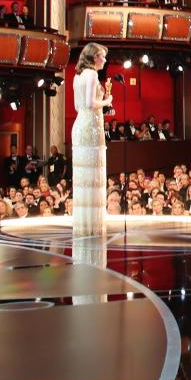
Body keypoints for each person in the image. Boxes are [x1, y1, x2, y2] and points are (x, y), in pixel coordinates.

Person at [71, 43, 113, 238]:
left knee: (84, 178)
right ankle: (93, 227)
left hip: (81, 125)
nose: (104, 60)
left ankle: (84, 224)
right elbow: (89, 103)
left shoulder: (78, 76)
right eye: (101, 56)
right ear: (93, 57)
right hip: (91, 127)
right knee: (93, 176)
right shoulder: (92, 75)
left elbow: (77, 105)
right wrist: (107, 101)